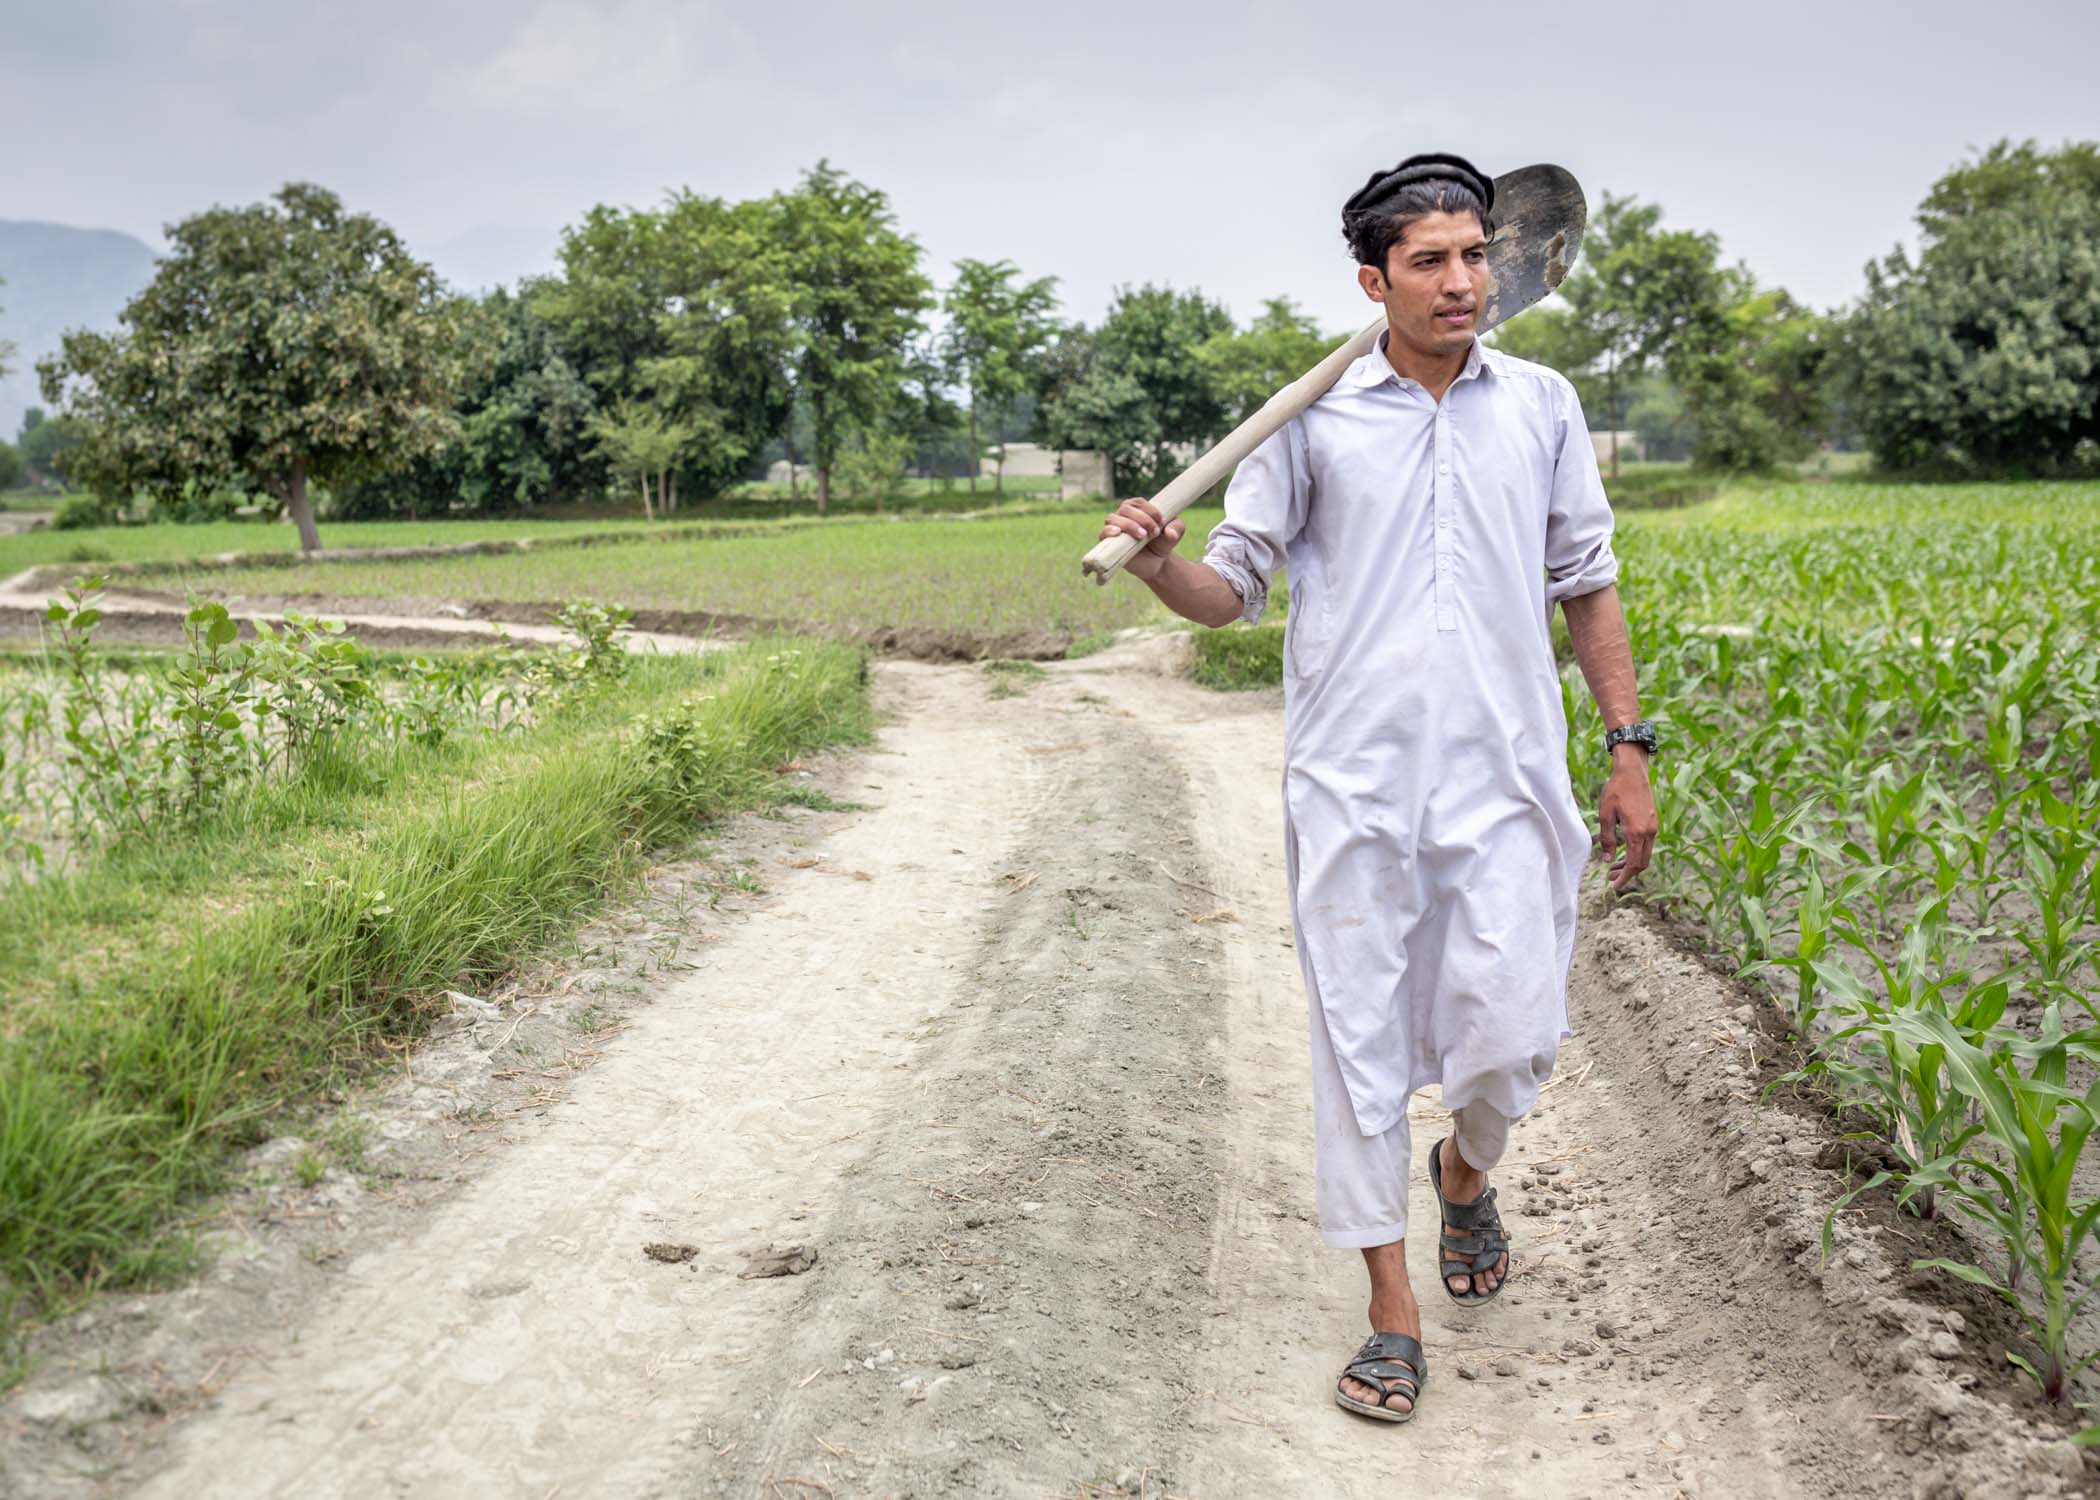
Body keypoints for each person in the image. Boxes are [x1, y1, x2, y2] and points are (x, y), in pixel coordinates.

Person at [1097, 152, 1659, 1424]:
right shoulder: (1306, 420)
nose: (1462, 281)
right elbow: (1233, 589)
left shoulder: (1543, 405)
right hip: (1353, 784)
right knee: (1355, 1045)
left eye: (1475, 256)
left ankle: (1465, 1168)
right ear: (1374, 281)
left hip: (1509, 779)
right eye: (1429, 262)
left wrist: (1627, 746)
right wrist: (1158, 563)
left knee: (1511, 1039)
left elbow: (1587, 579)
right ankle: (1392, 1313)